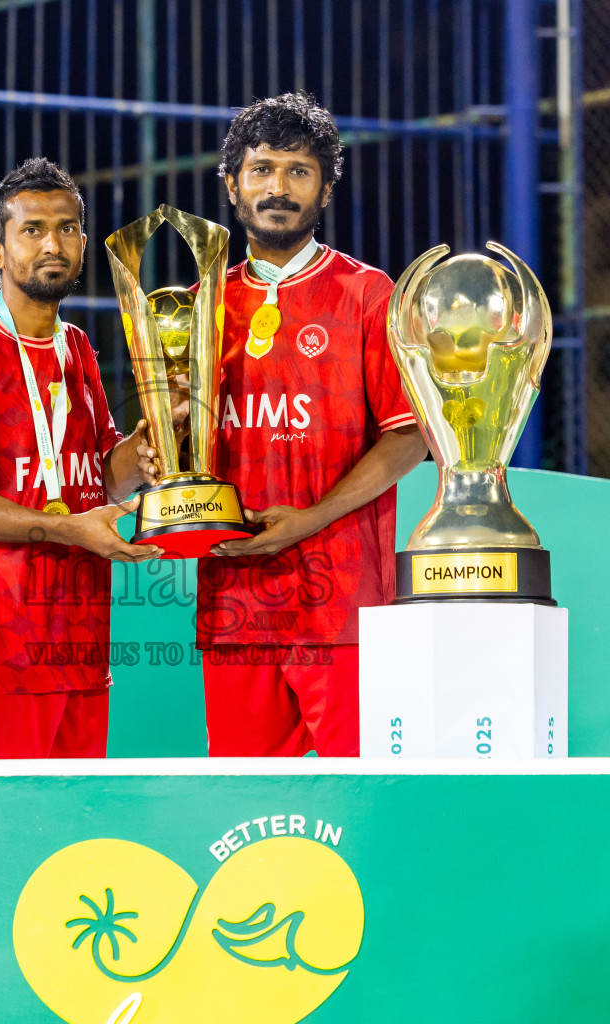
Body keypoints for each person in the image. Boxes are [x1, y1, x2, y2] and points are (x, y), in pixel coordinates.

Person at [197, 92, 430, 757]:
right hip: (235, 603)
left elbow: (409, 435)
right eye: (262, 168)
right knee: (242, 809)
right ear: (232, 183)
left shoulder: (367, 294)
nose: (278, 187)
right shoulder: (196, 305)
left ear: (326, 188)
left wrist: (311, 517)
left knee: (355, 805)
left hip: (342, 608)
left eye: (299, 171)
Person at [0, 158, 162, 759]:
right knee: (4, 836)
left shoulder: (75, 345)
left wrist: (157, 439)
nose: (53, 243)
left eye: (67, 228)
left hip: (80, 643)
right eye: (33, 230)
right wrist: (66, 529)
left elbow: (101, 474)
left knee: (72, 838)